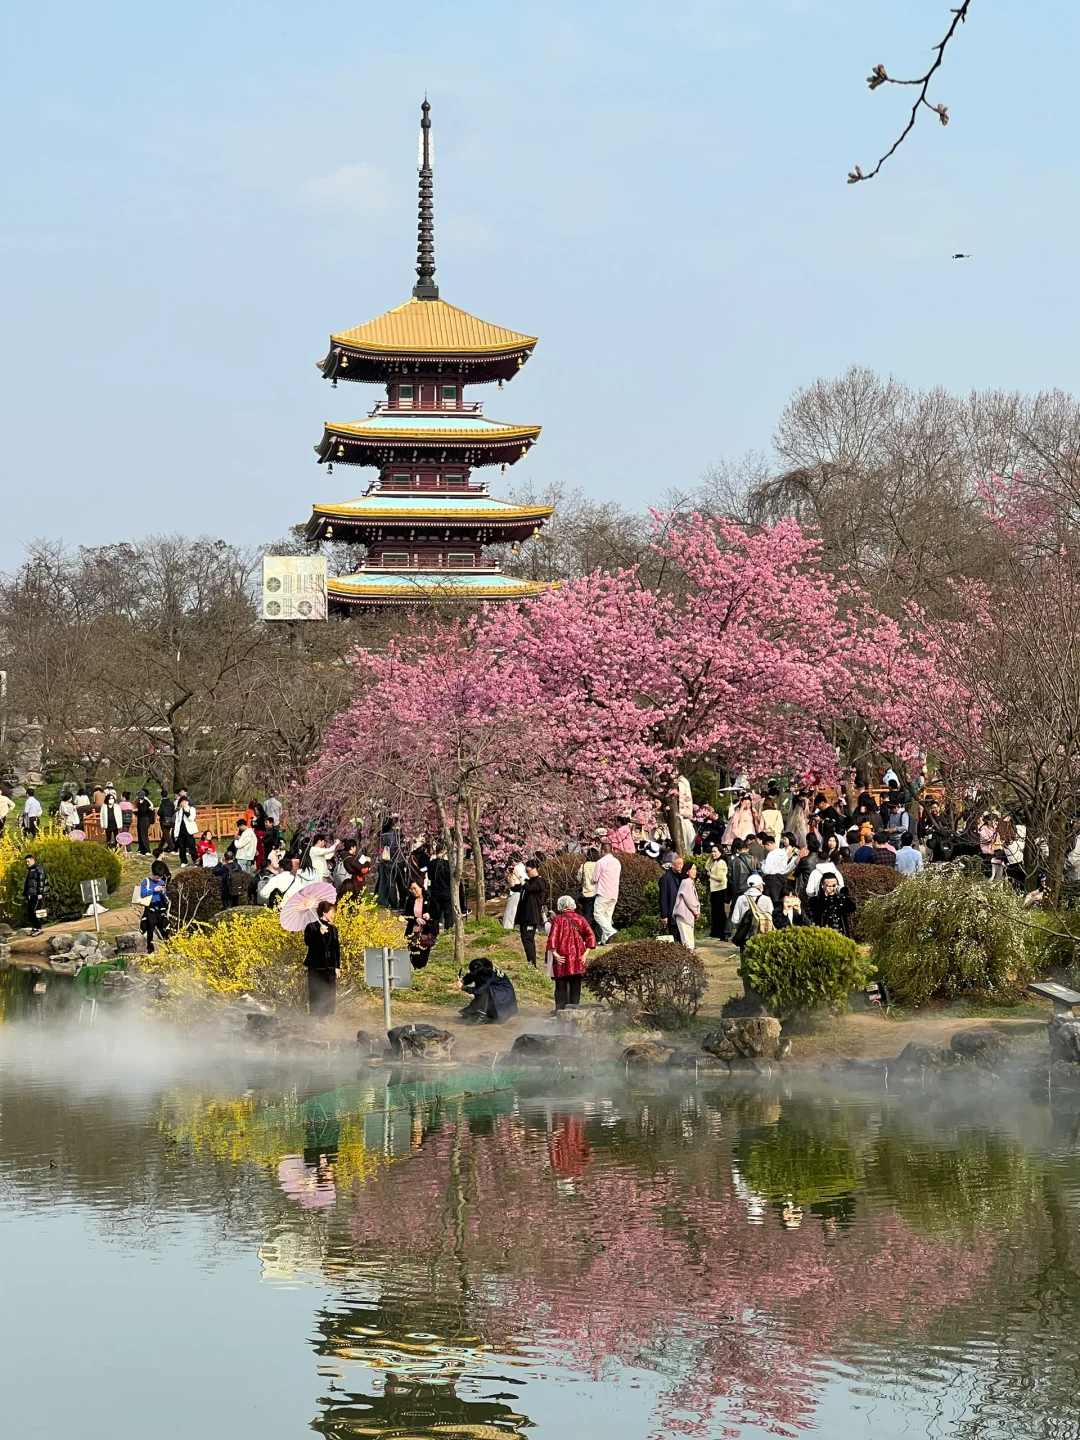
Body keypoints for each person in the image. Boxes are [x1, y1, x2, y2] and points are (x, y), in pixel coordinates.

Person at [545, 895, 596, 1010]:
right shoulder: (580, 919)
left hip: (561, 957)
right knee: (576, 985)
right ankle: (574, 1011)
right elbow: (591, 935)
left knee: (560, 986)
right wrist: (586, 953)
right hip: (578, 956)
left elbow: (552, 937)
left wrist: (555, 953)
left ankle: (560, 1011)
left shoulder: (558, 919)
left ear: (560, 905)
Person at [303, 900, 340, 1017]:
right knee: (316, 992)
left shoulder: (333, 929)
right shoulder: (311, 927)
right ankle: (315, 1017)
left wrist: (337, 967)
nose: (333, 915)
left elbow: (336, 948)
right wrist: (319, 934)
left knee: (329, 992)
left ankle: (327, 1017)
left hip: (330, 967)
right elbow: (308, 943)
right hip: (316, 966)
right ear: (324, 912)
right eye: (332, 912)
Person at [457, 956, 519, 1023]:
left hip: (504, 995)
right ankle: (475, 1011)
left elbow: (479, 990)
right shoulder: (484, 967)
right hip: (498, 992)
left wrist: (463, 987)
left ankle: (481, 1016)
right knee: (483, 984)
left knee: (485, 989)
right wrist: (464, 980)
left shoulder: (489, 975)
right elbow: (474, 975)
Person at [729, 874, 773, 950]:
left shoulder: (741, 898)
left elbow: (734, 920)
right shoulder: (767, 899)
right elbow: (771, 918)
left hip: (744, 938)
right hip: (762, 936)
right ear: (759, 886)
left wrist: (742, 929)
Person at [515, 860, 546, 966]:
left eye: (528, 870)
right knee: (525, 940)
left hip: (532, 916)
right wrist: (511, 877)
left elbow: (529, 888)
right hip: (524, 916)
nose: (527, 872)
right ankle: (530, 963)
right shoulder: (528, 881)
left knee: (528, 940)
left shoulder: (539, 882)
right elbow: (515, 887)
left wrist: (519, 876)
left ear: (535, 869)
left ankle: (532, 965)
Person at [591, 842, 622, 945]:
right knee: (607, 917)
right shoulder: (617, 862)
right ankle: (605, 940)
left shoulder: (600, 862)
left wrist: (592, 881)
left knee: (597, 914)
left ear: (602, 851)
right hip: (614, 892)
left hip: (603, 892)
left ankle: (611, 931)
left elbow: (595, 878)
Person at [139, 860, 171, 954]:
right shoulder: (146, 881)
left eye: (160, 877)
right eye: (157, 877)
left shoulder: (162, 883)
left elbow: (164, 897)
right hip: (150, 908)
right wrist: (154, 890)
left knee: (164, 928)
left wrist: (163, 893)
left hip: (160, 908)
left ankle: (169, 947)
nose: (159, 879)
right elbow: (143, 893)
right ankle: (150, 949)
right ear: (153, 874)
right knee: (150, 927)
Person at [673, 861, 701, 949]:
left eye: (695, 869)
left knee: (689, 942)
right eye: (692, 869)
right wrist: (696, 911)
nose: (695, 871)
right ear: (687, 871)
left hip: (687, 916)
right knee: (688, 943)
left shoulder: (688, 882)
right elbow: (690, 901)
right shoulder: (687, 882)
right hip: (684, 915)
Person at [427, 844, 454, 932]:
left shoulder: (431, 864)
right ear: (445, 851)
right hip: (446, 890)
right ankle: (448, 931)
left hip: (435, 891)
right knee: (448, 913)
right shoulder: (448, 864)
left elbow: (430, 877)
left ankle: (435, 933)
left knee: (435, 914)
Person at [658, 853, 684, 942]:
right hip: (671, 913)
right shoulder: (665, 878)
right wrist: (664, 915)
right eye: (679, 864)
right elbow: (663, 898)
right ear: (673, 865)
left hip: (681, 913)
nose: (681, 866)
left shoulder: (682, 877)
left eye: (682, 864)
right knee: (674, 938)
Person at [23, 854, 49, 936]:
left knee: (35, 911)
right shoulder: (31, 870)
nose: (27, 863)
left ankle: (38, 928)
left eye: (28, 861)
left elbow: (41, 881)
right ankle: (34, 927)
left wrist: (40, 893)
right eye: (26, 862)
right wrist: (26, 894)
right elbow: (28, 883)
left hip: (36, 894)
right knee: (30, 911)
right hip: (31, 893)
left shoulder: (39, 868)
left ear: (32, 859)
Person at [706, 845, 728, 939]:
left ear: (720, 852)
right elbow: (707, 866)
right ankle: (715, 932)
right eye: (712, 851)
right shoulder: (715, 862)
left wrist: (711, 875)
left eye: (715, 851)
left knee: (719, 912)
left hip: (720, 889)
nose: (713, 853)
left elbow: (720, 878)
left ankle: (722, 932)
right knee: (715, 912)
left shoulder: (721, 863)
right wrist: (711, 857)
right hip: (714, 889)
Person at [575, 847, 599, 930]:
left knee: (587, 916)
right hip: (597, 893)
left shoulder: (584, 866)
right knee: (598, 916)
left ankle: (587, 933)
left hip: (586, 894)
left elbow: (579, 879)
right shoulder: (598, 865)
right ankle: (597, 934)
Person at [173, 796, 199, 866]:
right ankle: (183, 861)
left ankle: (196, 861)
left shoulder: (191, 809)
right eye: (182, 802)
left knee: (191, 846)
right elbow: (177, 822)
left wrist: (185, 811)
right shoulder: (179, 811)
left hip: (189, 831)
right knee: (181, 847)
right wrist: (175, 833)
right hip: (180, 831)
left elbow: (191, 818)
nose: (183, 803)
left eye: (185, 802)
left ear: (187, 802)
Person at [156, 790, 176, 855]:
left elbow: (160, 812)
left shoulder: (162, 803)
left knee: (166, 834)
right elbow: (173, 811)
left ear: (161, 795)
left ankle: (172, 848)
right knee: (165, 834)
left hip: (163, 820)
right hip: (170, 820)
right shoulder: (171, 803)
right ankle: (160, 847)